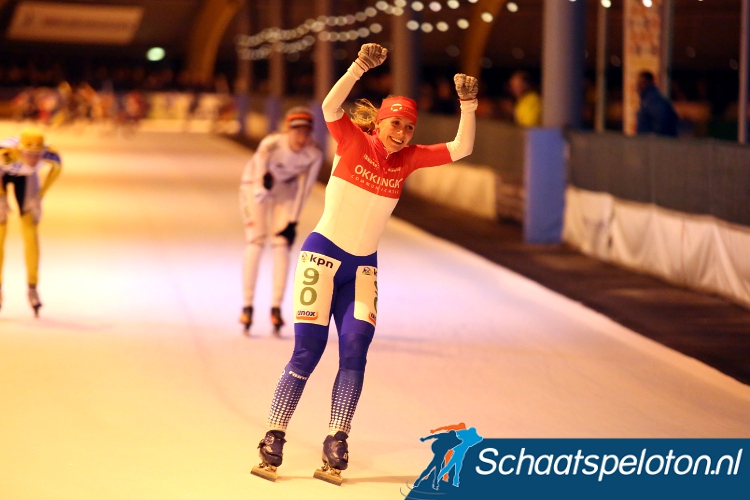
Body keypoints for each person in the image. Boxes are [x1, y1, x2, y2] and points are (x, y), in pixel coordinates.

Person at [250, 43, 478, 484]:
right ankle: (274, 434)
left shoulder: (407, 160)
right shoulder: (353, 139)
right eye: (396, 124)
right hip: (322, 256)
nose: (403, 134)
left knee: (355, 351)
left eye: (409, 128)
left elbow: (462, 147)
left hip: (362, 270)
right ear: (381, 121)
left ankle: (337, 437)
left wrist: (468, 105)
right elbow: (330, 105)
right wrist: (358, 67)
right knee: (308, 351)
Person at [239, 107, 323, 335]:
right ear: (288, 131)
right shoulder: (271, 144)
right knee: (256, 241)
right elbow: (258, 172)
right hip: (254, 185)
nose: (302, 138)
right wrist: (260, 187)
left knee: (281, 244)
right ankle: (247, 304)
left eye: (306, 133)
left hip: (286, 188)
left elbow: (305, 189)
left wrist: (293, 222)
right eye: (297, 132)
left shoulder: (313, 154)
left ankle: (276, 306)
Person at [0, 127, 62, 316]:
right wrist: (2, 197)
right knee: (1, 231)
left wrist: (40, 196)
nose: (34, 159)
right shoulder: (6, 154)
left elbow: (56, 170)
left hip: (26, 179)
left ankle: (32, 287)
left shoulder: (51, 155)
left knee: (30, 231)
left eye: (38, 155)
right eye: (29, 154)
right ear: (20, 150)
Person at [636, 71, 679, 137]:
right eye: (638, 83)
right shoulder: (647, 100)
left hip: (653, 144)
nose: (638, 86)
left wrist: (653, 137)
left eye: (642, 82)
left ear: (649, 83)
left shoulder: (653, 100)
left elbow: (662, 121)